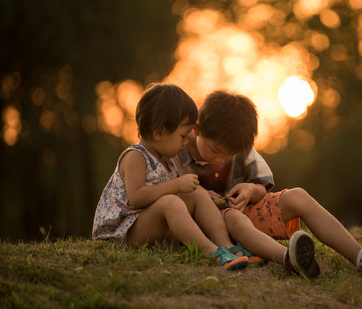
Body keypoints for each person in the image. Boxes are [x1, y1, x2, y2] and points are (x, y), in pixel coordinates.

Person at [173, 89, 362, 279]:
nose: (220, 160)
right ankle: (290, 258)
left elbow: (261, 185)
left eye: (229, 155)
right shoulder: (177, 149)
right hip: (210, 228)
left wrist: (249, 190)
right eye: (215, 151)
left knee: (297, 195)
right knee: (234, 218)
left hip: (244, 216)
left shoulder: (239, 144)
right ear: (196, 130)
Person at [92, 84, 249, 270]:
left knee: (196, 192)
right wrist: (176, 185)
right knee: (171, 203)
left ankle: (226, 246)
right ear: (159, 133)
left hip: (149, 224)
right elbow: (136, 198)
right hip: (123, 233)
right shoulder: (135, 156)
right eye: (182, 136)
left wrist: (205, 196)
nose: (186, 142)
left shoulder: (167, 159)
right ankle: (212, 253)